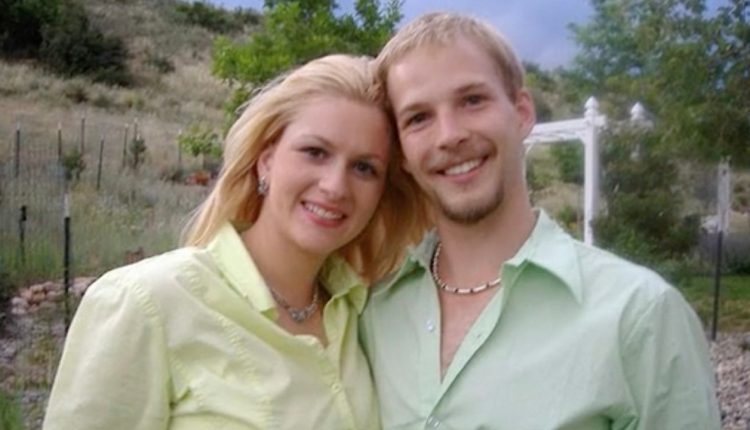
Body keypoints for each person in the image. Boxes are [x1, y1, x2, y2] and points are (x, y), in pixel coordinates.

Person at [359, 12, 721, 430]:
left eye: (472, 100)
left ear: (522, 112)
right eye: (418, 118)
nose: (449, 135)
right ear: (401, 153)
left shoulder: (639, 316)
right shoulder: (372, 312)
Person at [43, 54, 427, 430]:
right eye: (315, 152)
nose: (335, 186)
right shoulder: (146, 302)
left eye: (364, 168)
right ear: (266, 161)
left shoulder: (362, 313)